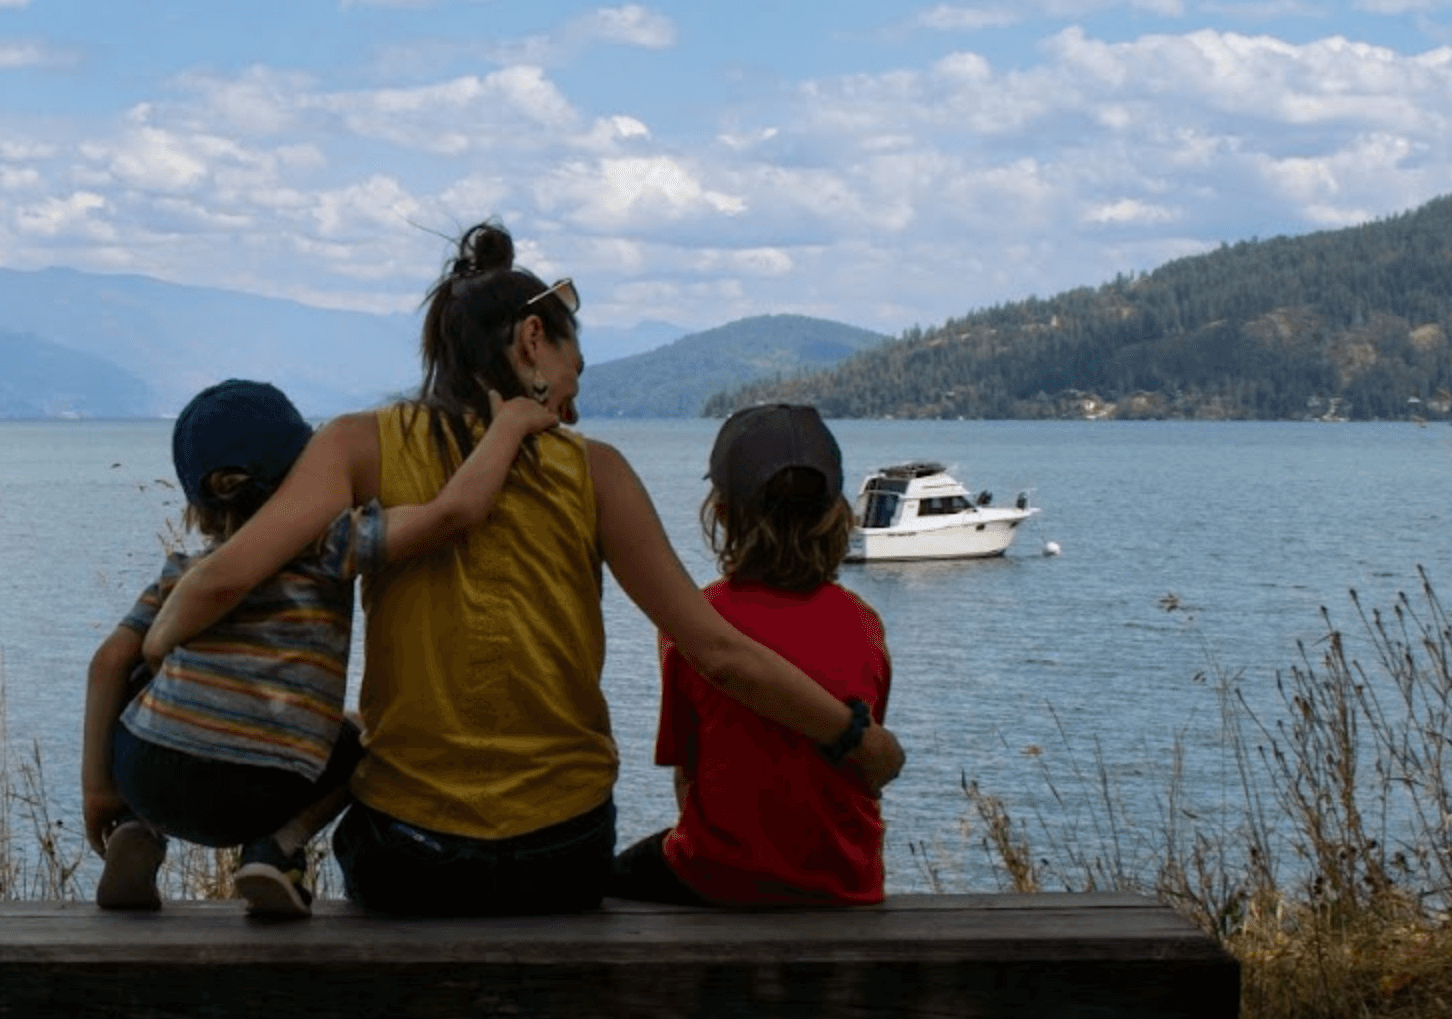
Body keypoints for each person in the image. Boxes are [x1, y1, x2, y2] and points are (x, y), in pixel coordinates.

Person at [146, 224, 904, 916]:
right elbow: (719, 652)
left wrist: (150, 654)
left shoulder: (356, 445)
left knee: (355, 746)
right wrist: (855, 738)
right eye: (576, 357)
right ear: (533, 341)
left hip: (409, 859)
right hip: (561, 856)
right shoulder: (597, 472)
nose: (579, 380)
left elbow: (224, 576)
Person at [82, 377, 556, 918]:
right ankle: (275, 849)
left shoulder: (179, 577)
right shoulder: (331, 543)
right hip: (266, 787)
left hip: (153, 775)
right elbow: (453, 513)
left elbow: (107, 664)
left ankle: (134, 830)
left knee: (143, 682)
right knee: (368, 735)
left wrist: (99, 790)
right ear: (303, 471)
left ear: (201, 501)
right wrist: (508, 427)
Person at [607, 402, 889, 907]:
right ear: (837, 512)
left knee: (604, 887)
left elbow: (687, 773)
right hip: (847, 884)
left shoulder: (698, 620)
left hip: (724, 877)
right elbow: (863, 771)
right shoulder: (863, 623)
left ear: (720, 514)